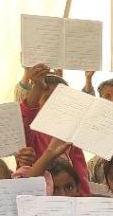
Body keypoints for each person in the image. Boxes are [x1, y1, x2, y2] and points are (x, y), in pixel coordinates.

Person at [17, 64, 91, 195]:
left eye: (62, 100)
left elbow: (81, 175)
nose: (55, 104)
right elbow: (26, 114)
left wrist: (84, 199)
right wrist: (38, 86)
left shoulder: (70, 136)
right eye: (47, 98)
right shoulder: (31, 132)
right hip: (39, 199)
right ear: (37, 103)